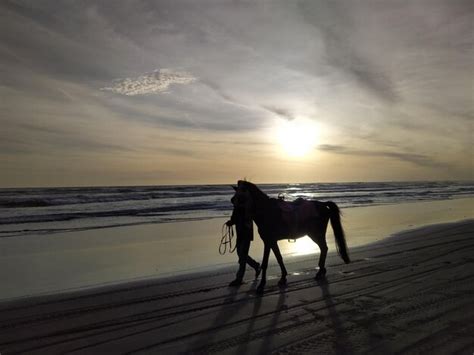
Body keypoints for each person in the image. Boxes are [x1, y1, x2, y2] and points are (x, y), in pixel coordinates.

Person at [226, 200, 261, 286]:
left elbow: (242, 218)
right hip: (241, 232)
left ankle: (239, 278)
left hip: (246, 233)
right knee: (241, 254)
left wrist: (232, 221)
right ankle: (256, 266)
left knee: (242, 255)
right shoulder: (239, 205)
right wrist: (231, 222)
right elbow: (235, 218)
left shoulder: (246, 205)